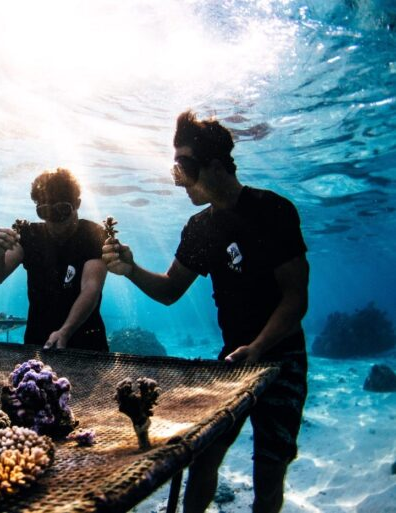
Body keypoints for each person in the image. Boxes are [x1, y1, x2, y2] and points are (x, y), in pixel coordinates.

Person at [102, 111, 309, 513]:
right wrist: (129, 269)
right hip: (233, 362)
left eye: (187, 166)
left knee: (270, 469)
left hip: (282, 360)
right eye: (176, 165)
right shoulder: (199, 228)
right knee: (203, 457)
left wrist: (260, 345)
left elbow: (296, 298)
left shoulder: (273, 211)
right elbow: (169, 291)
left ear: (216, 166)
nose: (179, 177)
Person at [0, 168, 109, 351]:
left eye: (62, 210)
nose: (55, 220)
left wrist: (65, 331)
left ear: (77, 204)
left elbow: (91, 289)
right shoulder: (28, 236)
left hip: (87, 342)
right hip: (37, 341)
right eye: (45, 212)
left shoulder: (94, 234)